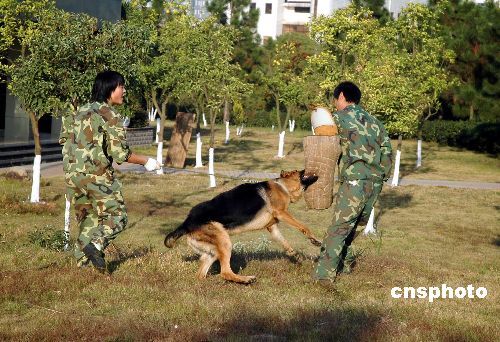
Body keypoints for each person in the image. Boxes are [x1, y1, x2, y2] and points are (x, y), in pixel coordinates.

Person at [59, 70, 161, 273]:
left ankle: (84, 268)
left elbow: (63, 141)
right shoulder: (109, 115)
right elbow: (120, 155)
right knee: (118, 218)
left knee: (88, 220)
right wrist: (147, 161)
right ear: (109, 89)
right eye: (121, 86)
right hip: (98, 176)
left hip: (73, 177)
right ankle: (96, 245)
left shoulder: (76, 112)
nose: (124, 91)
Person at [314, 81, 393, 283]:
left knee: (340, 227)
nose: (334, 103)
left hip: (355, 181)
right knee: (355, 225)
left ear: (341, 96)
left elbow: (323, 143)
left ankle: (324, 276)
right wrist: (381, 175)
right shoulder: (375, 121)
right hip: (375, 183)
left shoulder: (338, 119)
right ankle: (344, 264)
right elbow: (387, 151)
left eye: (335, 99)